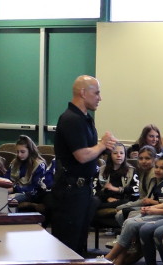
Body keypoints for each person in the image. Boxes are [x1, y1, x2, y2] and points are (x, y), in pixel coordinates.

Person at [52, 75, 116, 255]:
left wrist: (104, 148)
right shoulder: (71, 119)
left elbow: (89, 151)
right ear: (83, 92)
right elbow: (81, 155)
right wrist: (102, 144)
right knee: (68, 244)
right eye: (96, 93)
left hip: (82, 189)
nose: (99, 98)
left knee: (79, 242)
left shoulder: (84, 118)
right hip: (71, 190)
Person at [93, 141, 139, 230]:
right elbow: (95, 190)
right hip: (105, 200)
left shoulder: (131, 171)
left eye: (121, 153)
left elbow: (136, 190)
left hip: (123, 200)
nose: (119, 155)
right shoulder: (102, 171)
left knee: (127, 203)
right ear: (110, 155)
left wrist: (118, 189)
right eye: (115, 153)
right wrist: (107, 198)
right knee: (93, 201)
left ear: (125, 155)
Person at [6, 135, 47, 204]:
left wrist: (14, 189)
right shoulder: (15, 162)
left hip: (30, 194)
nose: (19, 155)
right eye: (17, 152)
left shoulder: (39, 164)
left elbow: (35, 187)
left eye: (22, 152)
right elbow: (6, 178)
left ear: (30, 151)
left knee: (7, 200)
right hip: (14, 189)